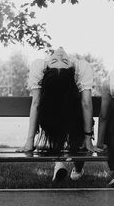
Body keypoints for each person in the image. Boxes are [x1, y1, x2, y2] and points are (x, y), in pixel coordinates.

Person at [17, 47, 100, 182]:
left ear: (72, 70)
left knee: (77, 138)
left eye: (64, 61)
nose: (60, 54)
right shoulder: (39, 67)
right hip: (51, 108)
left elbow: (85, 103)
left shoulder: (81, 68)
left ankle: (74, 167)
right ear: (47, 68)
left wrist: (87, 138)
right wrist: (29, 141)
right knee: (72, 140)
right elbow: (37, 103)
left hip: (73, 107)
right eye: (54, 60)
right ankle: (65, 166)